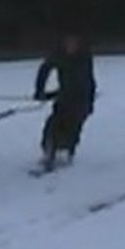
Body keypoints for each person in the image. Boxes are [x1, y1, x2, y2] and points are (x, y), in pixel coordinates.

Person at [33, 30, 97, 168]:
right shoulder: (59, 55)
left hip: (81, 98)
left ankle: (67, 151)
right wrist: (40, 90)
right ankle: (49, 150)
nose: (70, 46)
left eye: (73, 43)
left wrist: (90, 101)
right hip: (64, 97)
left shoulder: (84, 57)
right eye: (68, 42)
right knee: (53, 124)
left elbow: (90, 80)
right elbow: (45, 69)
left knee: (73, 126)